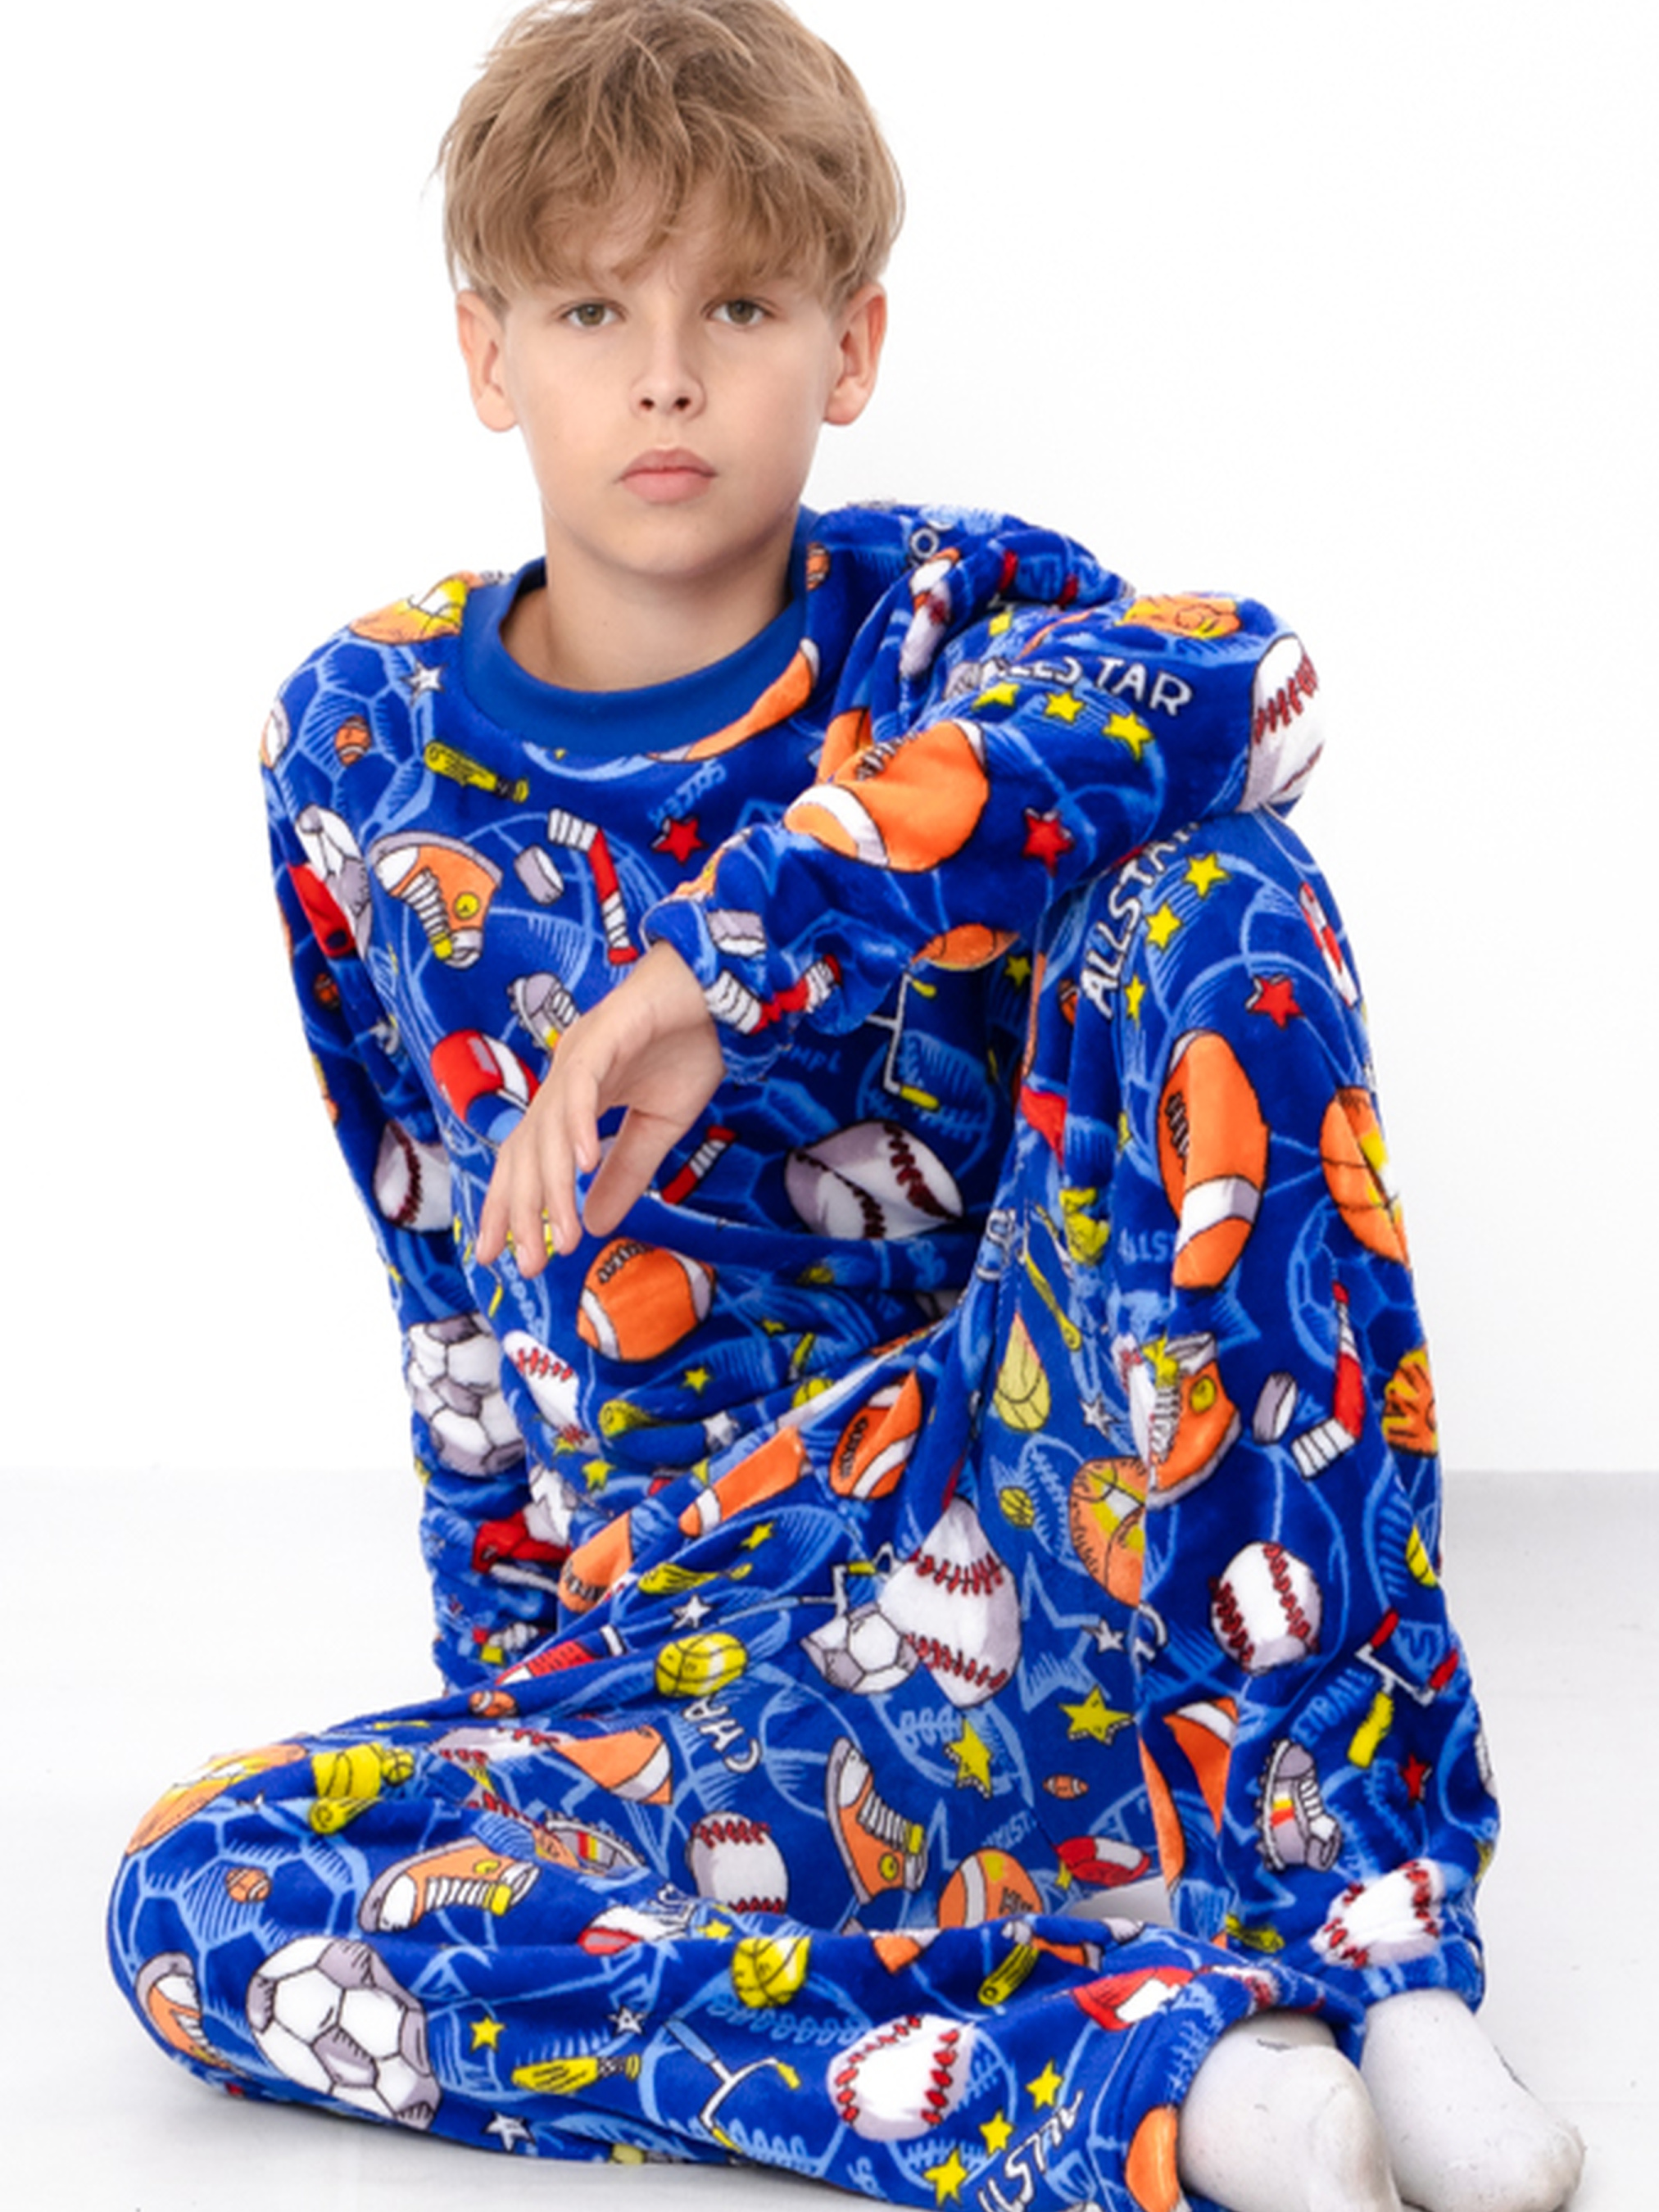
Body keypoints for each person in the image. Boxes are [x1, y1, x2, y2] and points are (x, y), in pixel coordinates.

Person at [107, 5, 1584, 2209]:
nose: (666, 379)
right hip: (720, 1663)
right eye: (591, 312)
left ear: (852, 344)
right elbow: (441, 1249)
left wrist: (726, 961)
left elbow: (1253, 687)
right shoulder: (359, 743)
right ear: (487, 355)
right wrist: (516, 1707)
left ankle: (1368, 1947)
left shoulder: (959, 618)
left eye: (736, 309)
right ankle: (1148, 2072)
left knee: (1223, 895)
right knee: (199, 1897)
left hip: (1054, 1526)